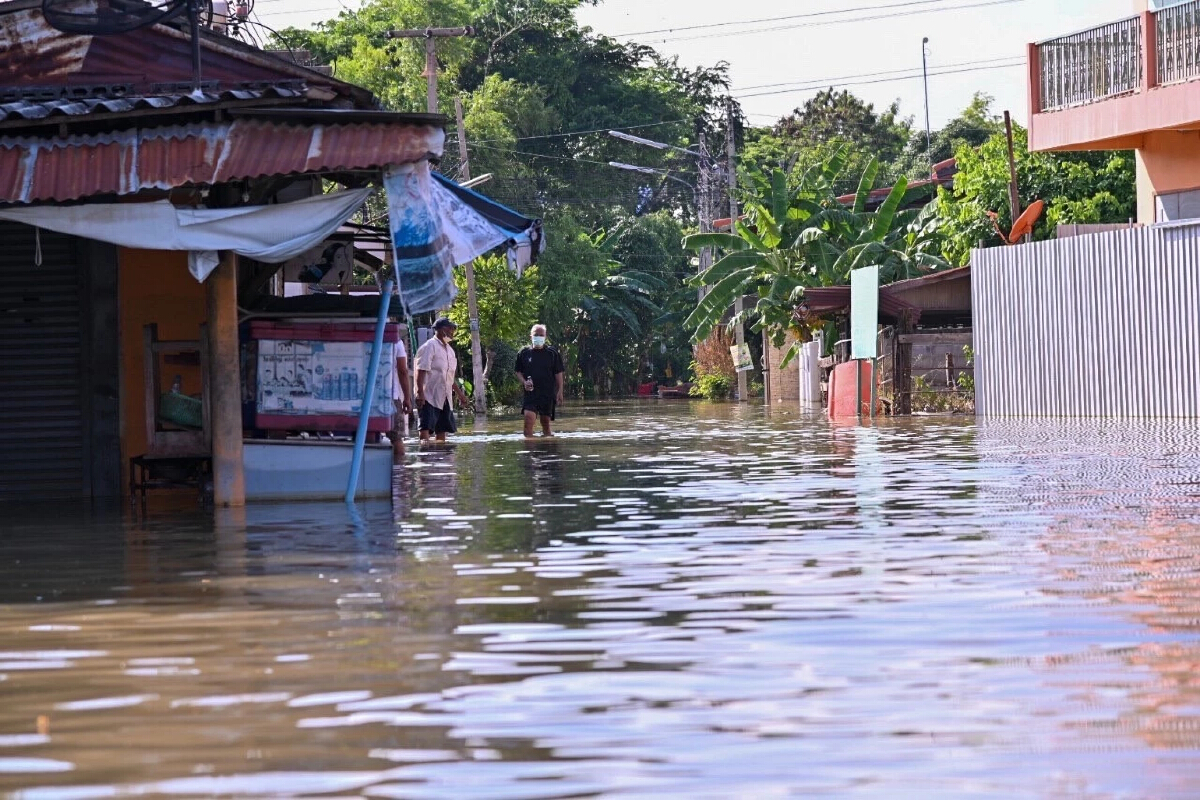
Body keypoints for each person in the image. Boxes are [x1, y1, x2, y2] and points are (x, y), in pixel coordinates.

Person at [414, 317, 469, 443]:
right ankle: (425, 457)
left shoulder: (450, 351)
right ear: (441, 330)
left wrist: (461, 395)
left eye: (453, 329)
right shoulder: (430, 346)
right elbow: (421, 370)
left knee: (442, 432)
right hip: (428, 396)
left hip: (444, 397)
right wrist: (420, 393)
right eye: (450, 328)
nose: (452, 331)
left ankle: (441, 457)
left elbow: (449, 377)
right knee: (425, 430)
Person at [515, 323, 565, 437]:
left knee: (545, 423)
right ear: (530, 336)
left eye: (541, 335)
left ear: (545, 337)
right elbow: (518, 371)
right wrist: (524, 382)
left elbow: (558, 373)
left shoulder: (552, 353)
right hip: (530, 394)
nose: (538, 337)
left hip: (547, 394)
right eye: (536, 334)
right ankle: (529, 452)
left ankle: (547, 449)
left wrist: (560, 391)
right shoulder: (523, 353)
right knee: (528, 421)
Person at [389, 335, 412, 458]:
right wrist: (407, 399)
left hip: (363, 397)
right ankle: (399, 472)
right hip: (391, 396)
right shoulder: (396, 340)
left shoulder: (363, 334)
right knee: (396, 437)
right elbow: (403, 371)